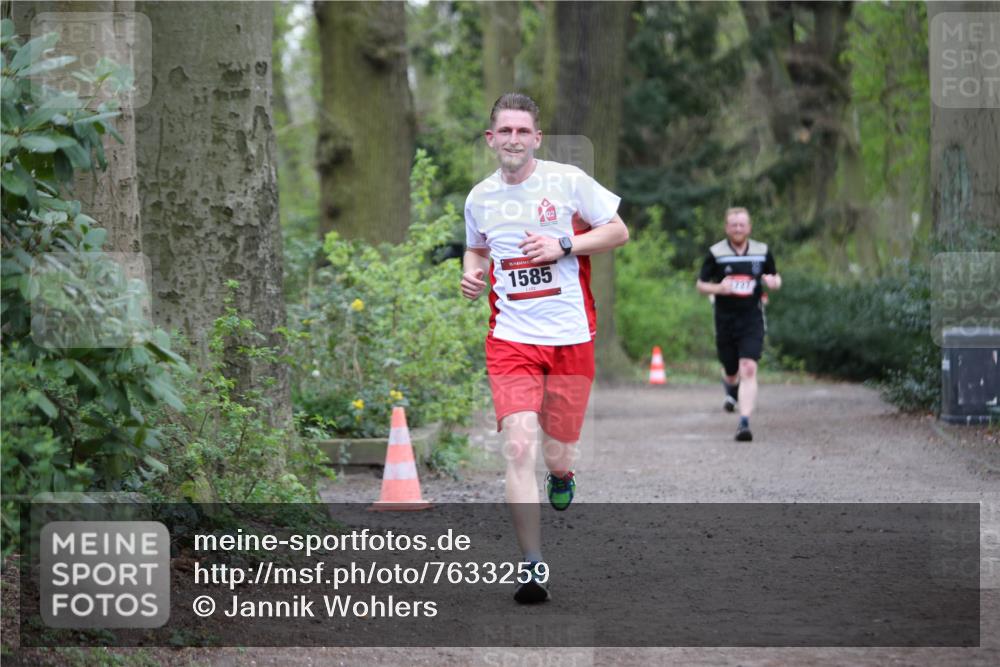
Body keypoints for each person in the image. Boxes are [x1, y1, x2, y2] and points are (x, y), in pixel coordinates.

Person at [461, 93, 628, 603]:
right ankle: (532, 565)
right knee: (518, 446)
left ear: (536, 137)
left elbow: (618, 231)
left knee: (557, 453)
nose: (513, 139)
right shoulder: (479, 198)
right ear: (491, 139)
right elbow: (477, 248)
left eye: (522, 131)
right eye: (504, 131)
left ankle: (562, 474)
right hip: (511, 340)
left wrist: (564, 245)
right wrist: (471, 272)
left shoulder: (568, 182)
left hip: (569, 338)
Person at [696, 207, 781, 442]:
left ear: (749, 227)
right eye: (733, 225)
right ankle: (731, 387)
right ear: (727, 228)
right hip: (725, 320)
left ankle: (744, 423)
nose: (738, 228)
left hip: (752, 318)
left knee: (749, 368)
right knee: (732, 372)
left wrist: (773, 282)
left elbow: (775, 276)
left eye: (742, 224)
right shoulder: (716, 253)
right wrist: (719, 288)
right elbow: (701, 285)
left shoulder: (762, 251)